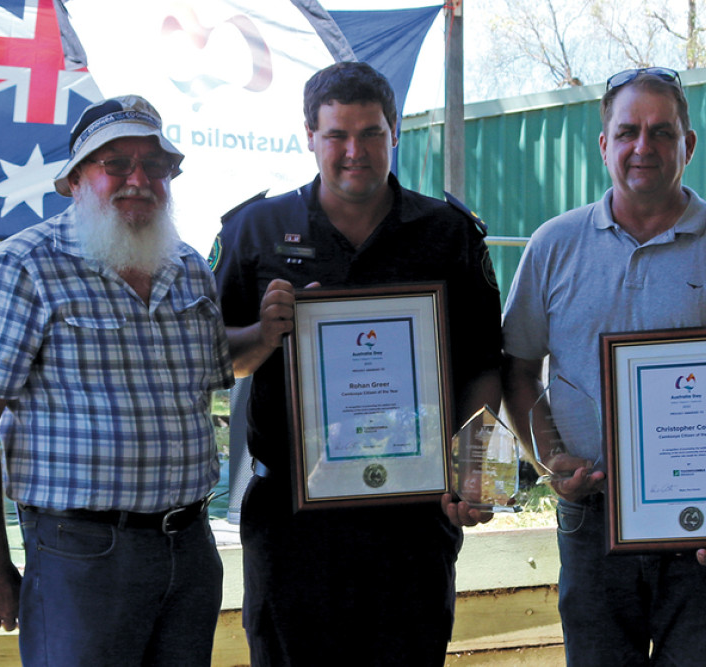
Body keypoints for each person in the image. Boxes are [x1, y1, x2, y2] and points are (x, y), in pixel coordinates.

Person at [210, 61, 502, 666]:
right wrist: (262, 334)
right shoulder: (256, 230)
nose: (354, 151)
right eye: (337, 135)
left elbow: (483, 365)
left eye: (370, 133)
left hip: (412, 520)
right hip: (292, 519)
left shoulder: (448, 233)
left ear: (395, 131)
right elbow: (214, 361)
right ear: (309, 136)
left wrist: (476, 471)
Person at [500, 67, 706, 666]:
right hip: (591, 518)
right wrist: (551, 459)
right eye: (628, 131)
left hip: (703, 531)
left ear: (688, 144)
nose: (644, 147)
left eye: (662, 132)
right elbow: (519, 371)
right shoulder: (553, 246)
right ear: (604, 144)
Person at [0, 95, 234, 666]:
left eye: (154, 165)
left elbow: (219, 373)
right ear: (77, 179)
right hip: (79, 555)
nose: (138, 179)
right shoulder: (23, 266)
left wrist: (282, 325)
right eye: (115, 163)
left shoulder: (189, 269)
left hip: (191, 550)